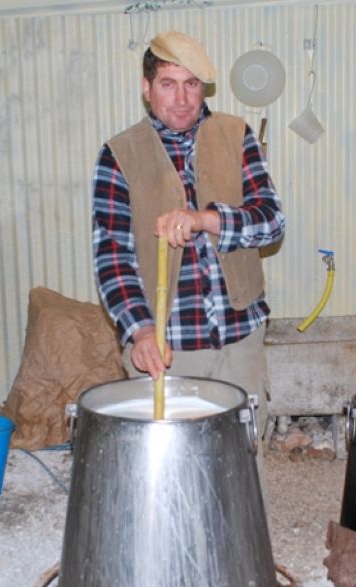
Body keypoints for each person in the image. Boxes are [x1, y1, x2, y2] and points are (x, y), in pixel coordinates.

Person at [91, 30, 285, 467]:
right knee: (169, 470)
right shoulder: (119, 155)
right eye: (168, 84)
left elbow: (272, 222)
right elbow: (112, 260)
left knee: (242, 464)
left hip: (240, 338)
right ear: (146, 88)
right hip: (168, 348)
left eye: (191, 84)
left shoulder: (236, 135)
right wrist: (141, 332)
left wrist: (206, 220)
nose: (181, 99)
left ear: (203, 88)